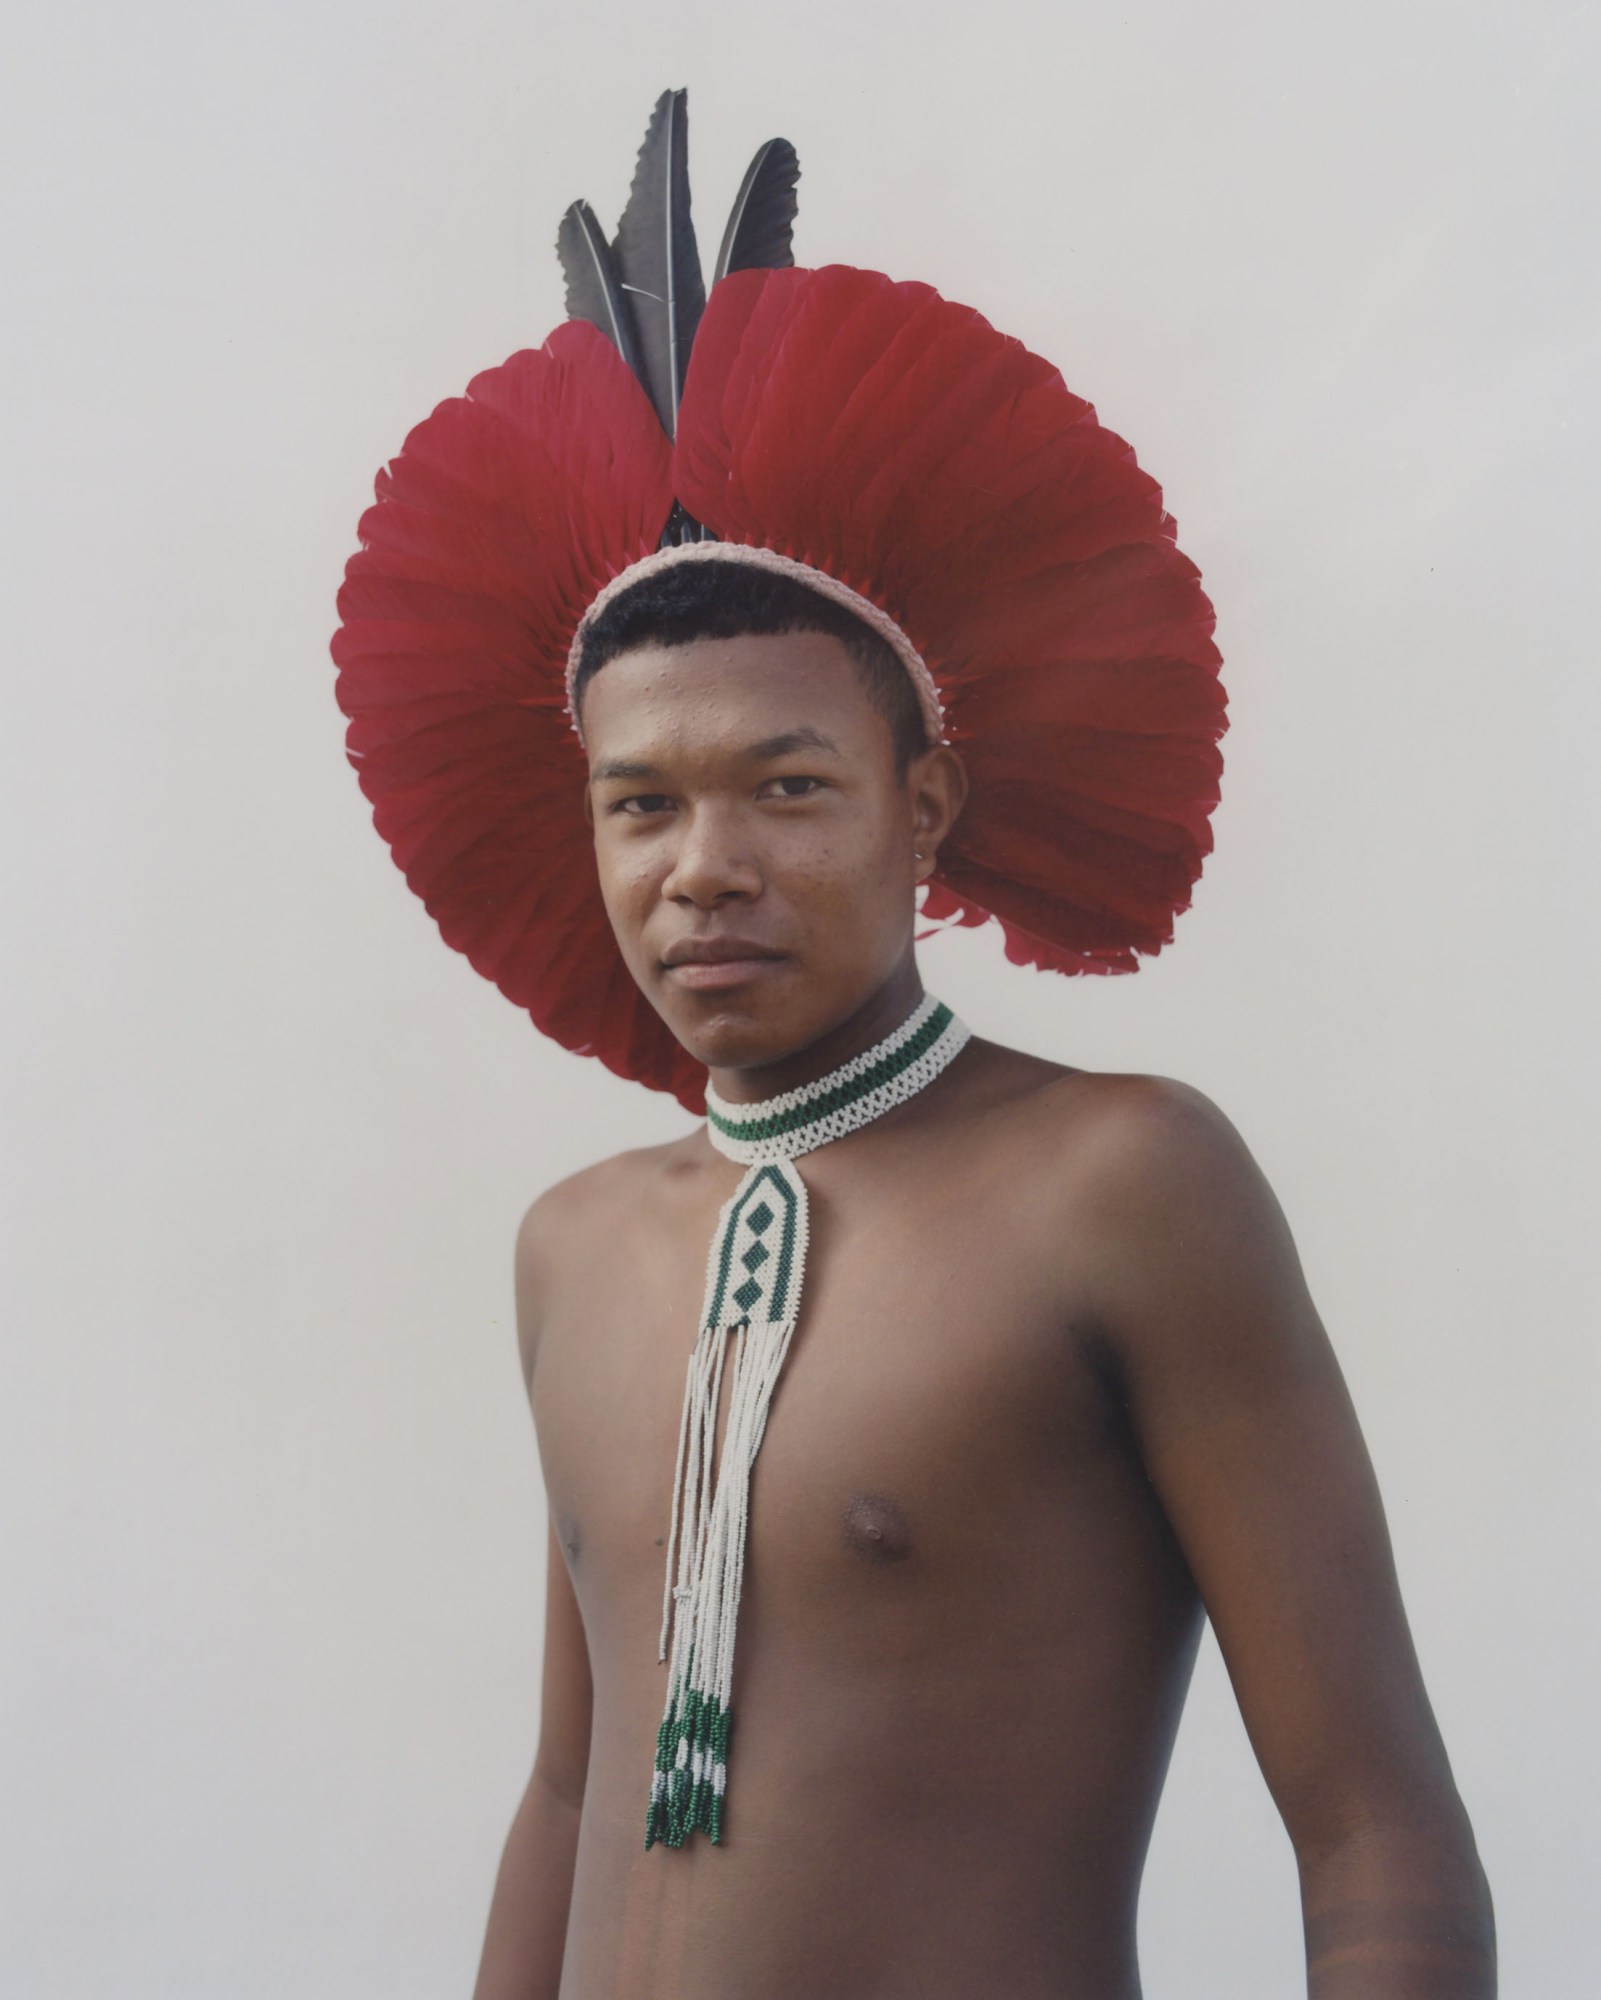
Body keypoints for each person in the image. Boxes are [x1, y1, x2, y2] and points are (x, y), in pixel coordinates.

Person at [331, 93, 1494, 2000]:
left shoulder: (1116, 1184)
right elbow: (564, 1798)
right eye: (641, 805)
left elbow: (1372, 1820)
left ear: (922, 801)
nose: (707, 869)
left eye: (787, 784)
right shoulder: (574, 1246)